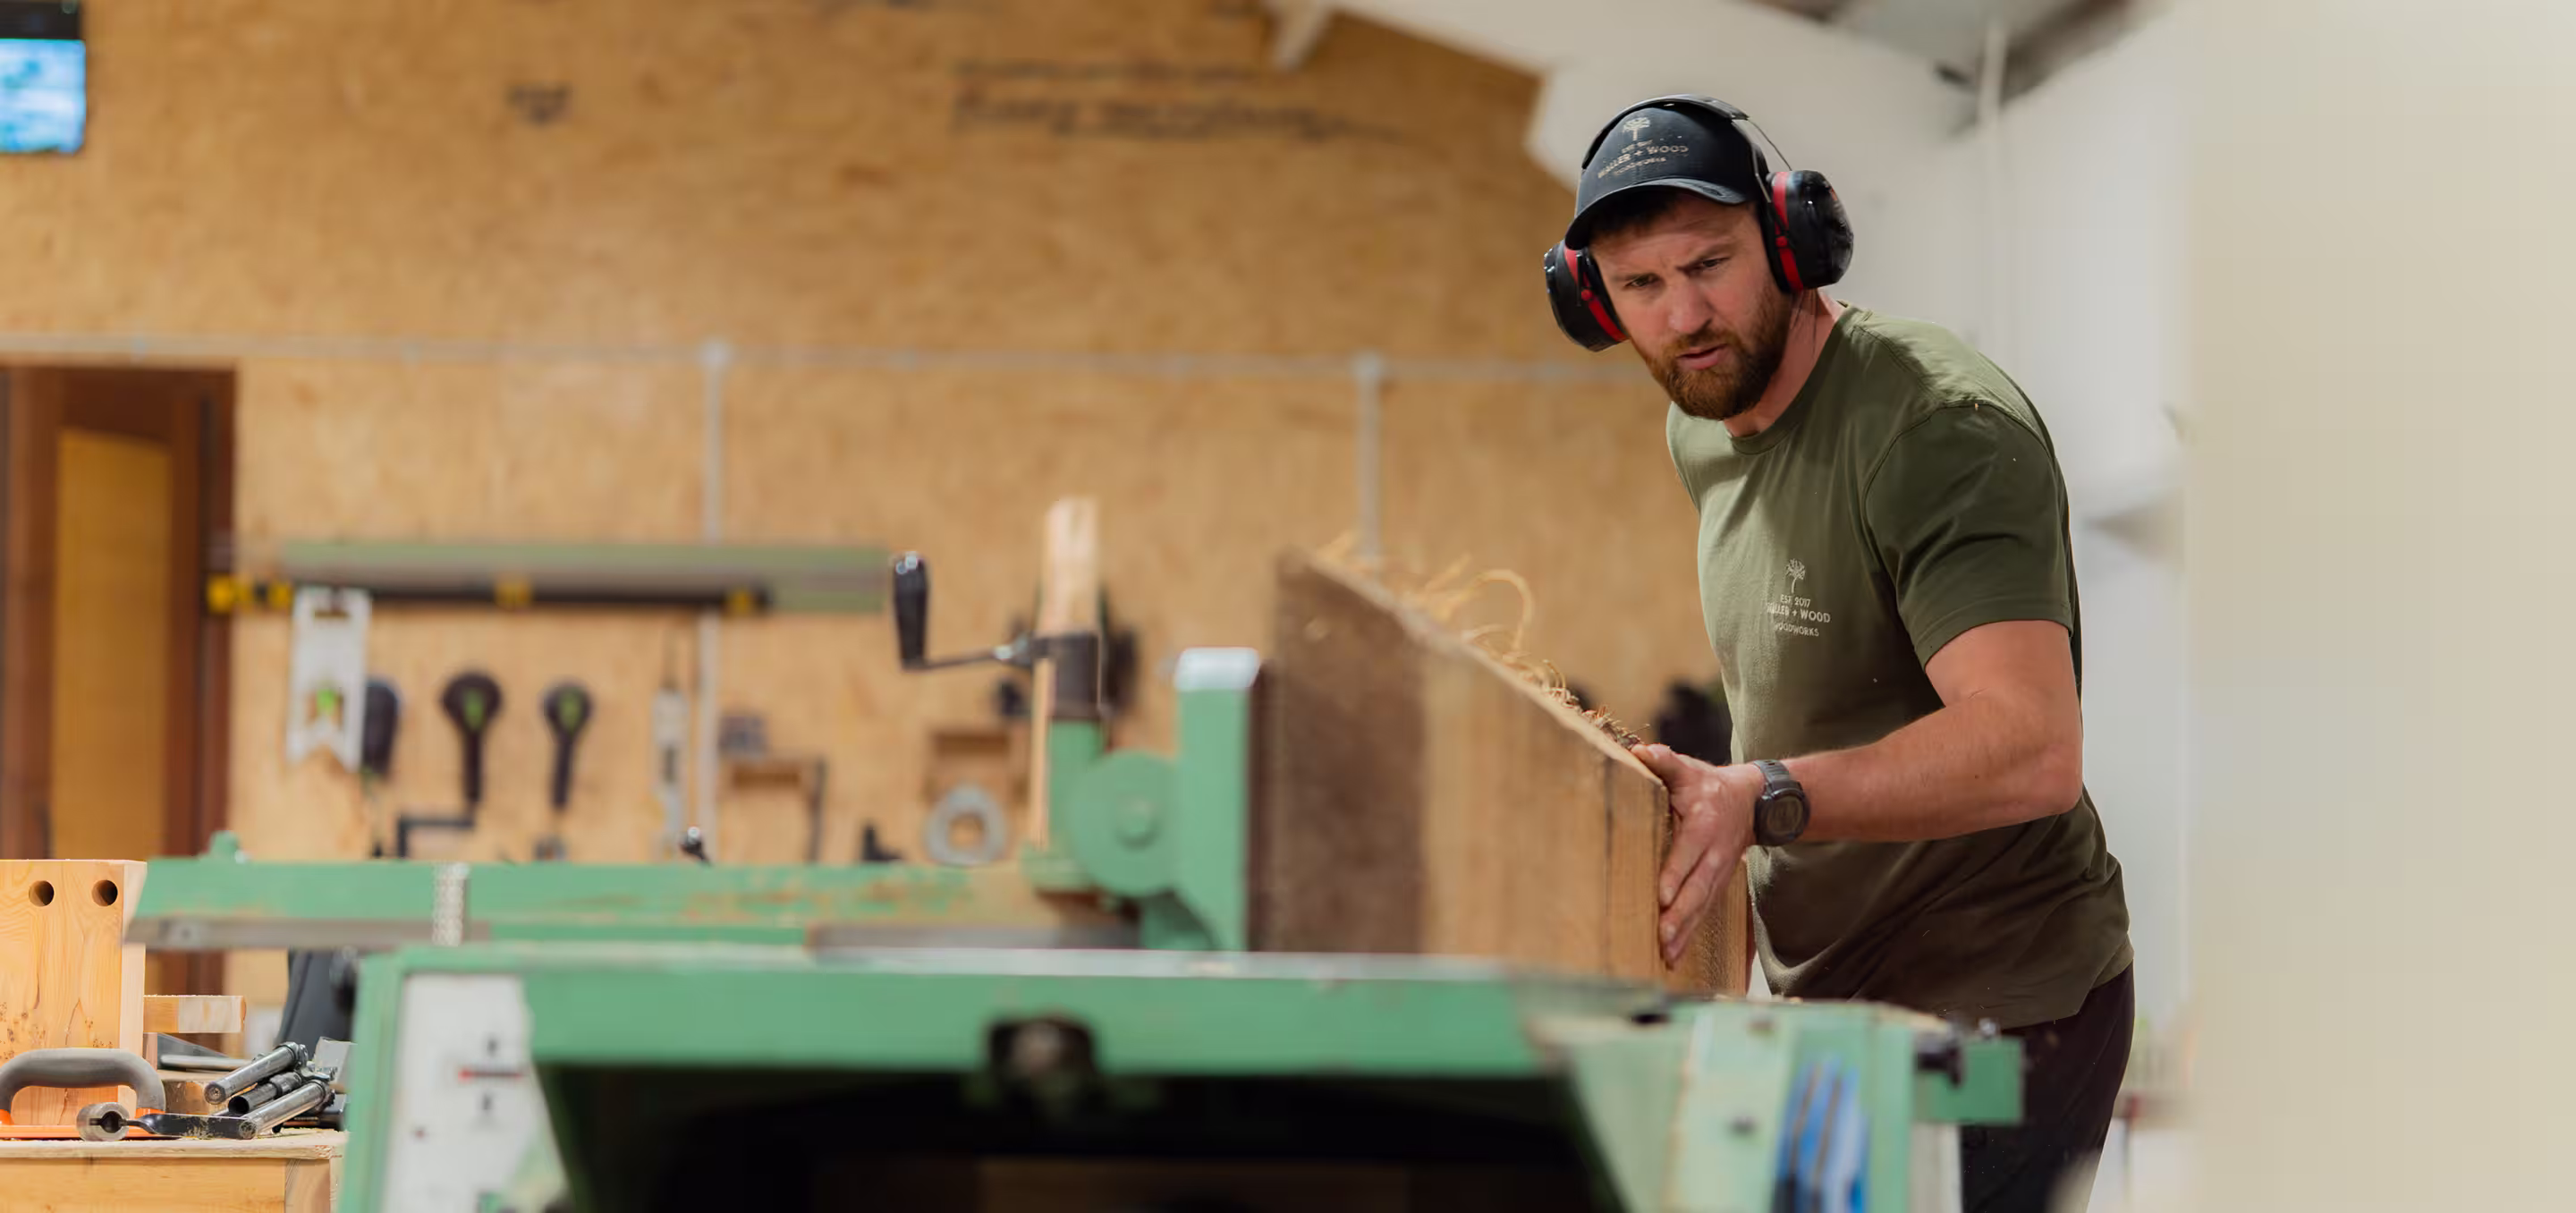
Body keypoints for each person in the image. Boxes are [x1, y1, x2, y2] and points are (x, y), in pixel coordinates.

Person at [1542, 95, 2132, 1213]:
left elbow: (2030, 750)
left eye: (1710, 263)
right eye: (1641, 287)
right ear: (1597, 304)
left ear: (1788, 242)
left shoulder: (1935, 427)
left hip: (2004, 994)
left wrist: (1758, 796)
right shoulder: (1702, 428)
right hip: (1835, 996)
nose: (1685, 315)